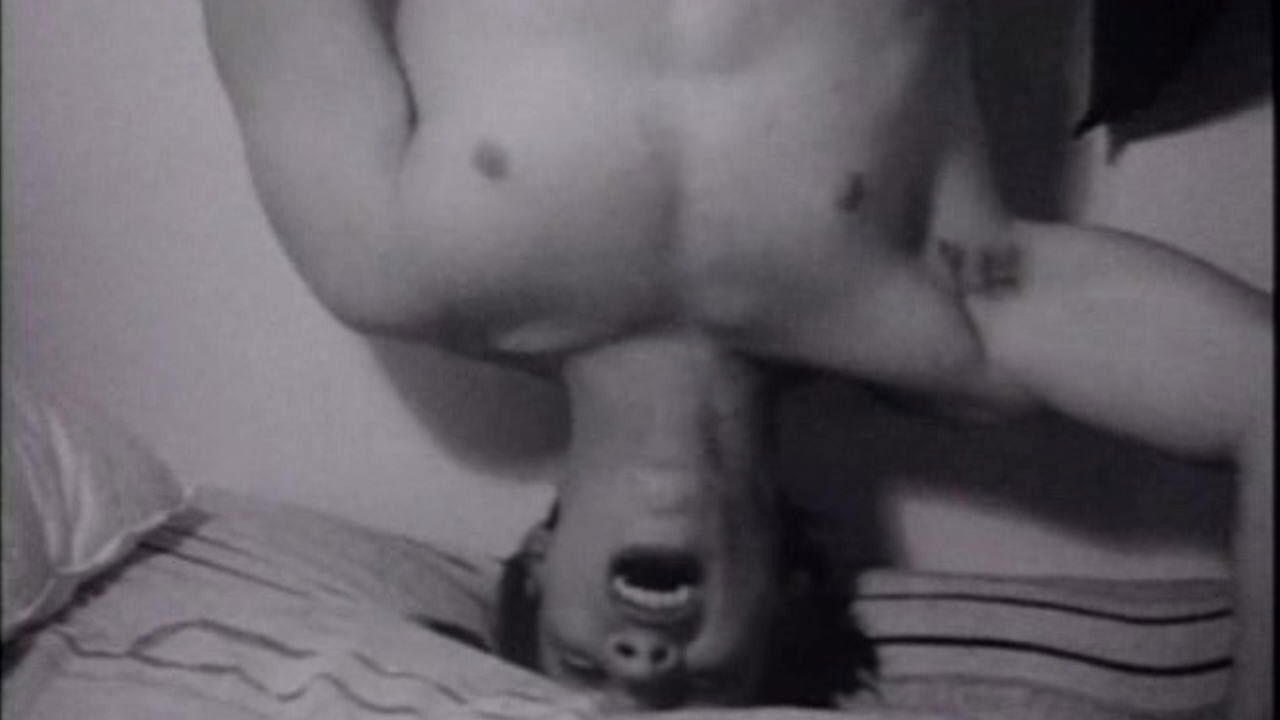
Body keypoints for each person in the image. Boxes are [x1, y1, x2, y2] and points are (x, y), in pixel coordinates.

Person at [201, 1, 1272, 716]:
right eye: (702, 695)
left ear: (536, 564)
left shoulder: (392, 265)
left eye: (579, 667)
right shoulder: (939, 305)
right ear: (791, 597)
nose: (640, 666)